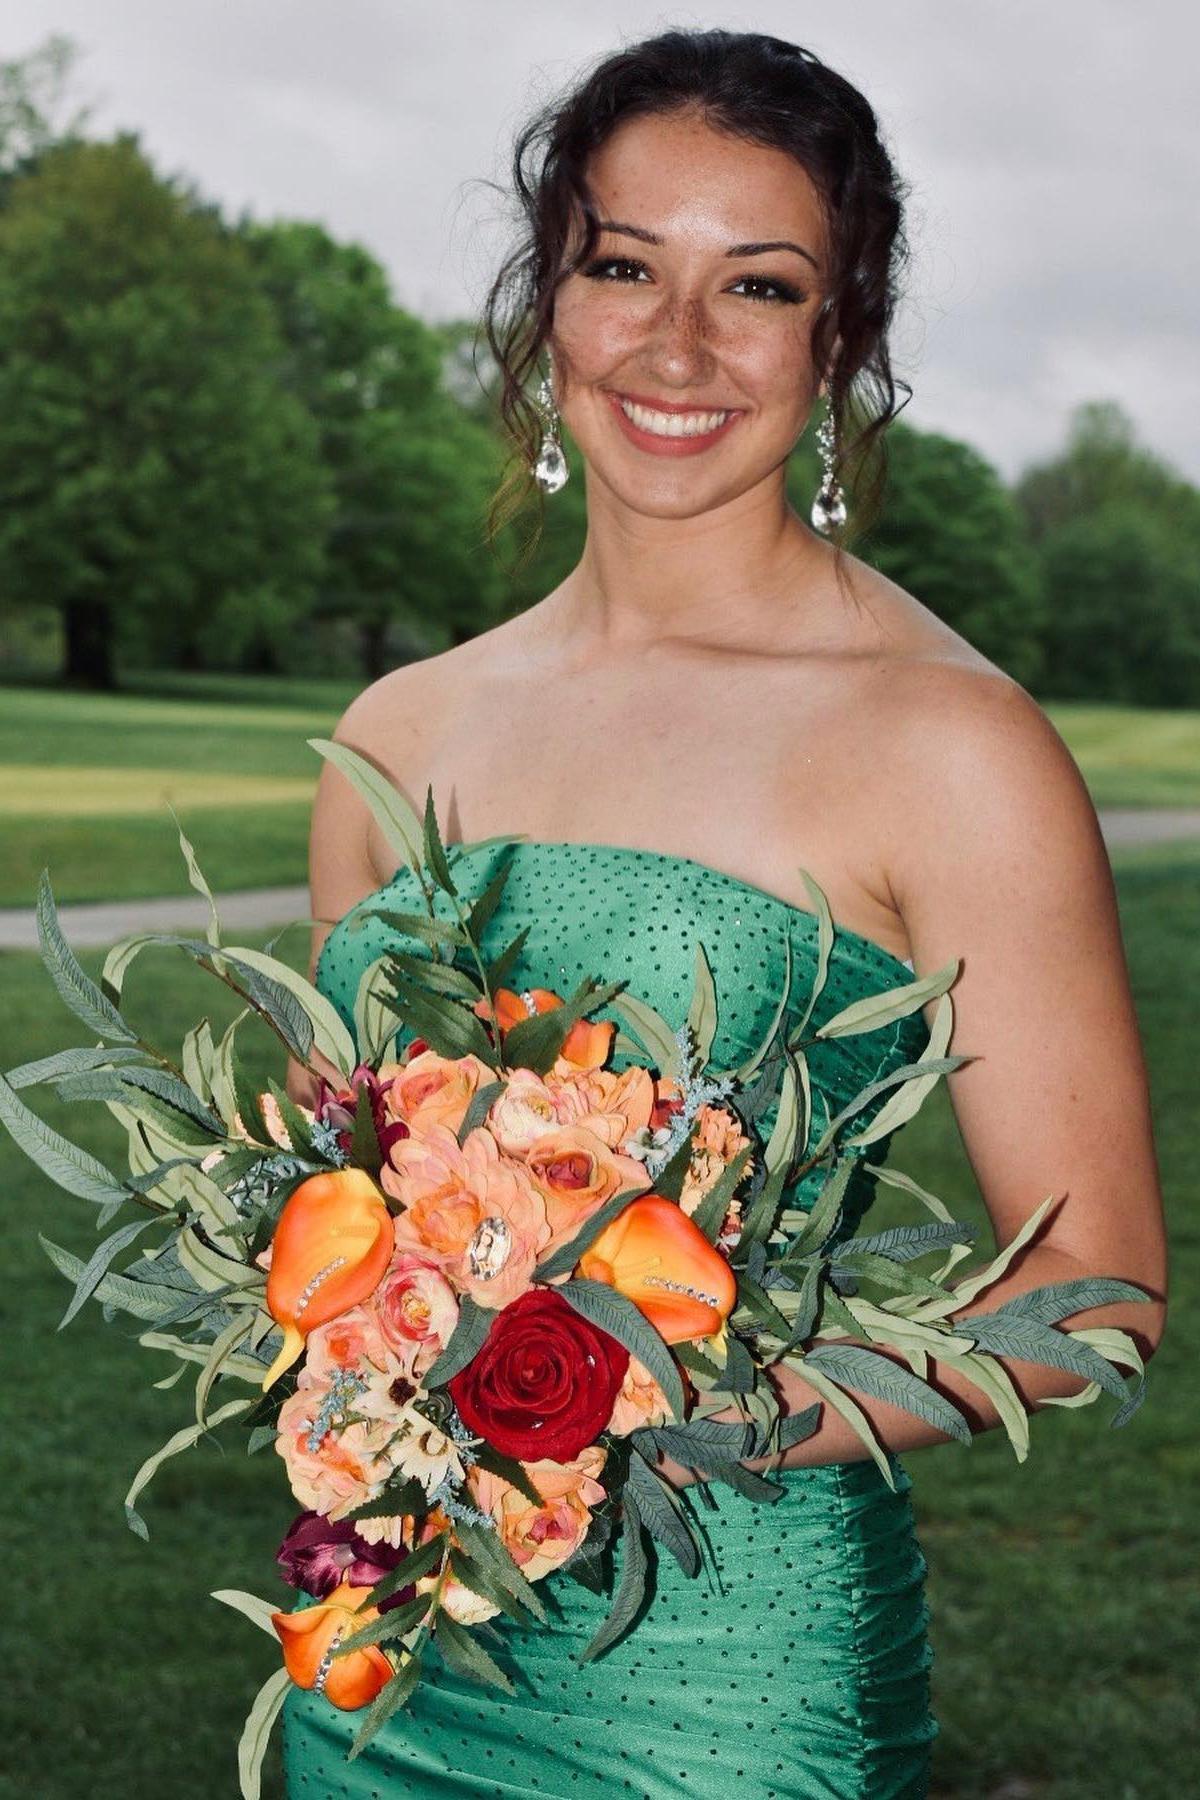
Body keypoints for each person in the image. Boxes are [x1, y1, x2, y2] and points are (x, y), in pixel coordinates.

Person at [281, 27, 1166, 1797]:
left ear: (841, 339)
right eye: (623, 268)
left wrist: (702, 1409)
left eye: (757, 286)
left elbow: (1098, 1288)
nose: (676, 348)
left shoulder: (951, 747)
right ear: (550, 301)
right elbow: (347, 1201)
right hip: (392, 1648)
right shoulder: (399, 735)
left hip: (731, 1681)